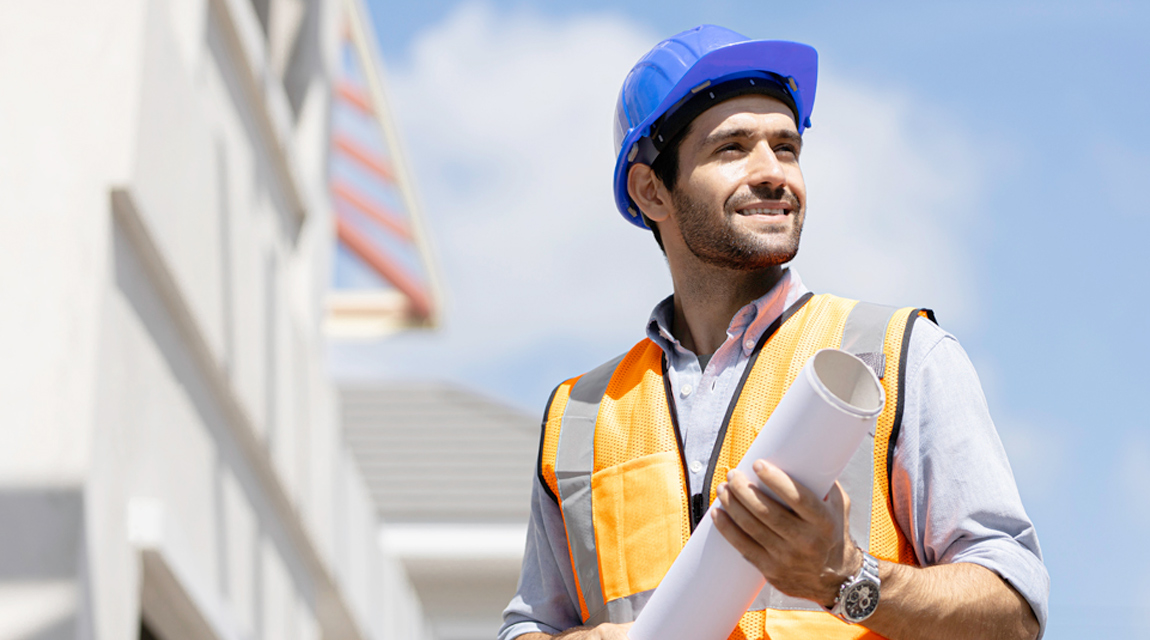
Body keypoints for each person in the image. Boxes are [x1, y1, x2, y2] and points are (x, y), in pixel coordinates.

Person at [499, 25, 1048, 640]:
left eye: (786, 148)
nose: (774, 173)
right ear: (651, 189)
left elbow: (1014, 614)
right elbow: (530, 623)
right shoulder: (580, 416)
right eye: (733, 148)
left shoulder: (897, 357)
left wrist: (846, 578)